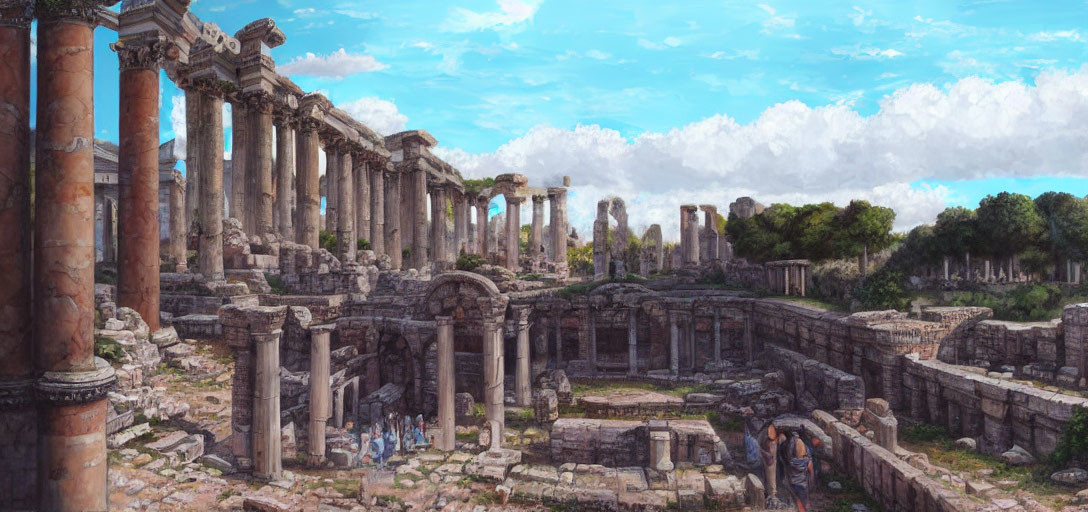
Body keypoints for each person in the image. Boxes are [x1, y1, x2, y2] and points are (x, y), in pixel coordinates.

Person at [786, 434, 815, 512]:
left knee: (797, 501)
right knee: (804, 503)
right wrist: (811, 485)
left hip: (793, 483)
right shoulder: (807, 461)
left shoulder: (792, 462)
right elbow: (811, 474)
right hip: (803, 485)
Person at [760, 424, 779, 500]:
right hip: (769, 460)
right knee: (770, 478)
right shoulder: (768, 440)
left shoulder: (772, 442)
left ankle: (772, 495)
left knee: (771, 479)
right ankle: (771, 495)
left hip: (771, 461)